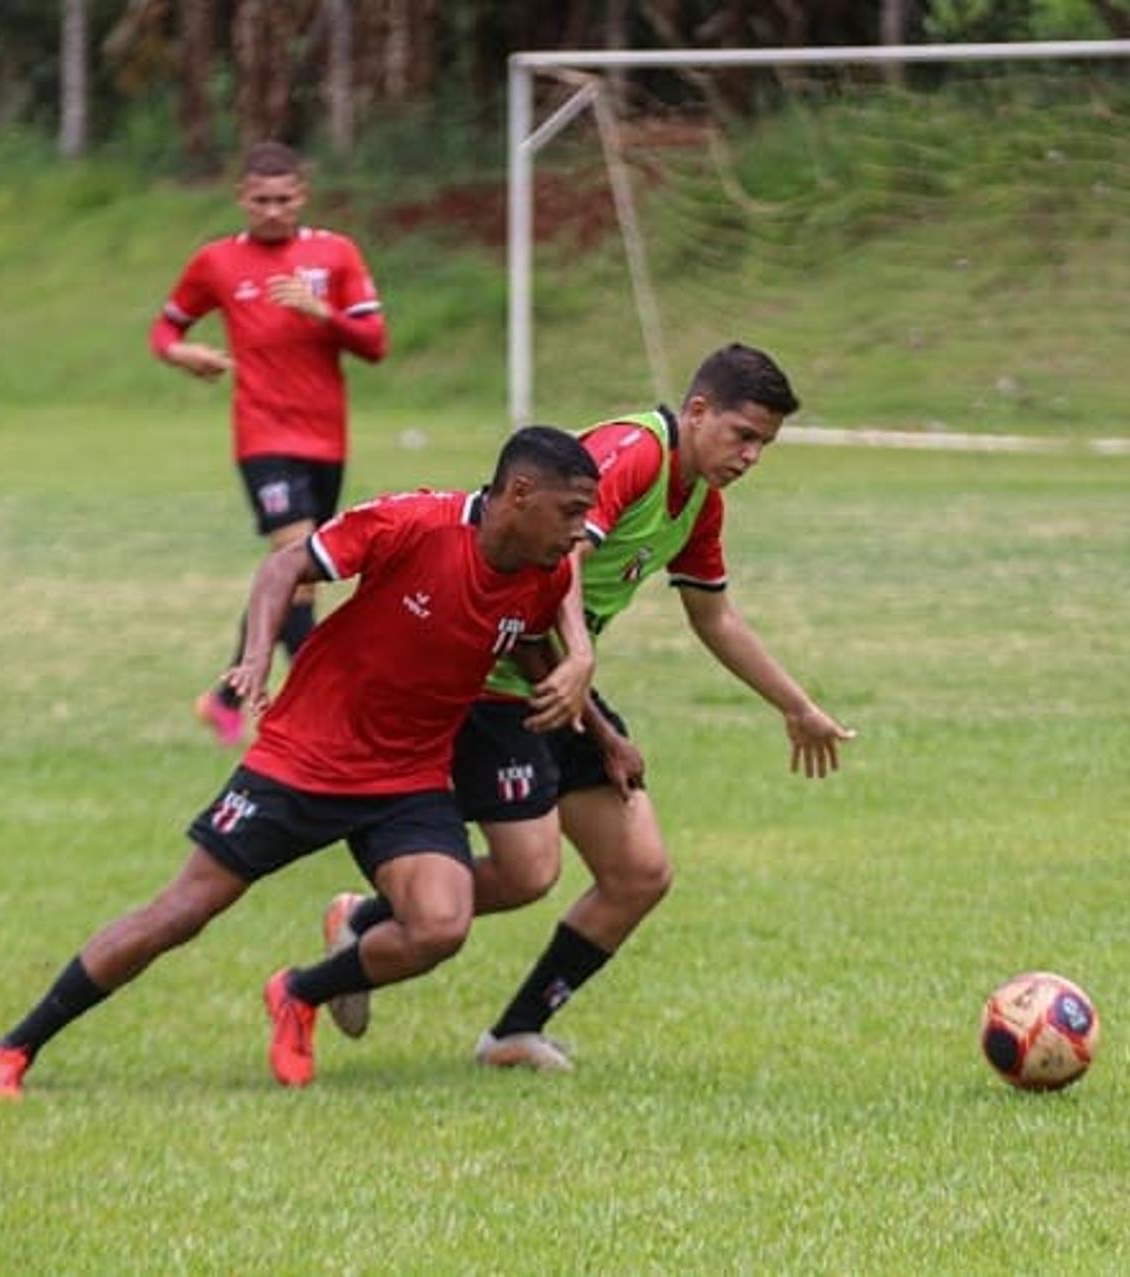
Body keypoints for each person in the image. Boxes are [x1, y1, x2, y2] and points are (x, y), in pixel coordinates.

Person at [0, 428, 599, 1100]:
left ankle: (298, 993)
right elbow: (282, 567)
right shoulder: (414, 522)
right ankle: (13, 1047)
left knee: (441, 925)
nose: (582, 529)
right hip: (305, 757)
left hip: (409, 775)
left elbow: (530, 645)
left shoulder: (544, 572)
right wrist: (257, 655)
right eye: (571, 510)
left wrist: (602, 735)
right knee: (183, 909)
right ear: (520, 493)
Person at [318, 343, 857, 1071]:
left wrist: (797, 707)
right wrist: (581, 656)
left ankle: (509, 1032)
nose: (753, 454)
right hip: (494, 677)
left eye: (766, 442)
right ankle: (362, 929)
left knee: (639, 871)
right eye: (744, 435)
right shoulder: (629, 453)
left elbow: (715, 618)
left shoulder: (699, 501)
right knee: (528, 871)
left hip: (558, 685)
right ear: (698, 411)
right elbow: (560, 553)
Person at [149, 140, 390, 745]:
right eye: (261, 200)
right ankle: (328, 709)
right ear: (242, 199)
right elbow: (165, 327)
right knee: (293, 560)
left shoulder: (334, 254)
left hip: (326, 438)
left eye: (284, 199)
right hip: (262, 436)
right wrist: (182, 354)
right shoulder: (216, 263)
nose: (273, 211)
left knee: (302, 578)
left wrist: (322, 313)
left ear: (302, 195)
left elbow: (375, 343)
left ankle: (226, 697)